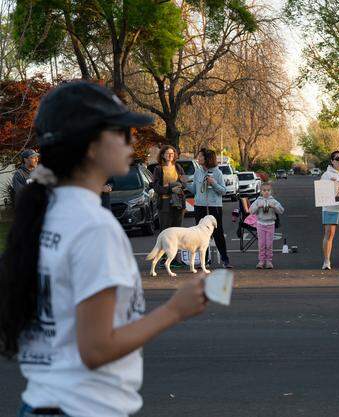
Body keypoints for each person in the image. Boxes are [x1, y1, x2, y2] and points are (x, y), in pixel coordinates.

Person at [0, 81, 206, 417]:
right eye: (122, 131)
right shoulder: (93, 226)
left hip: (42, 401)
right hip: (83, 408)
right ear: (91, 145)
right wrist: (174, 310)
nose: (132, 140)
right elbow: (96, 348)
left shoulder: (46, 212)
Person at [188, 148, 233, 269]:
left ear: (207, 158)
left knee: (218, 233)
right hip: (199, 206)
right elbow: (194, 190)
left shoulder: (217, 173)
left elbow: (223, 191)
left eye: (200, 156)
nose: (198, 159)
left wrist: (213, 183)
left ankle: (225, 259)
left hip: (214, 207)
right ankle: (204, 261)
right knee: (200, 234)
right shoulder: (197, 172)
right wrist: (185, 183)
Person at [250, 182, 284, 269]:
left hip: (270, 224)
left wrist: (274, 207)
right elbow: (251, 211)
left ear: (271, 191)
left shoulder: (273, 201)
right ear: (261, 191)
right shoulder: (258, 201)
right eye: (264, 190)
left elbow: (281, 210)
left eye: (268, 190)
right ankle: (261, 261)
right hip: (260, 224)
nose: (266, 192)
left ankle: (269, 261)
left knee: (269, 244)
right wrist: (258, 207)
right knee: (261, 244)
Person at [152, 145, 187, 231]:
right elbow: (156, 187)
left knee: (178, 230)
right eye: (167, 153)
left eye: (172, 153)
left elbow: (185, 183)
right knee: (165, 231)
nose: (170, 155)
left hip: (178, 202)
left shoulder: (178, 167)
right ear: (162, 155)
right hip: (165, 203)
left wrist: (171, 185)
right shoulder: (158, 169)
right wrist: (171, 189)